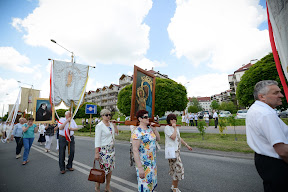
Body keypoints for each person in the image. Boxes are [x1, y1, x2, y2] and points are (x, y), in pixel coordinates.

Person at [246, 80, 288, 191]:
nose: (281, 95)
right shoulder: (266, 114)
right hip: (277, 164)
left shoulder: (256, 109)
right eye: (276, 93)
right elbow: (282, 150)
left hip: (265, 161)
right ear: (262, 97)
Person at [132, 110, 160, 192]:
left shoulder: (150, 129)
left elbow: (158, 139)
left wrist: (154, 129)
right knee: (144, 187)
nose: (148, 118)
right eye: (145, 117)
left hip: (152, 163)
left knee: (151, 185)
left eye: (148, 116)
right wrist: (140, 168)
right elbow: (135, 150)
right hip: (144, 164)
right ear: (140, 119)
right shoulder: (137, 132)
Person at [165, 114, 192, 192]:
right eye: (171, 119)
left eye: (175, 119)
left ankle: (173, 186)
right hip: (172, 152)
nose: (174, 120)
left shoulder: (175, 128)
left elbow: (179, 138)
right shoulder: (167, 128)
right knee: (179, 169)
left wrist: (187, 145)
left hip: (177, 151)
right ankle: (175, 188)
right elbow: (173, 137)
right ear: (169, 120)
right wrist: (174, 128)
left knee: (174, 169)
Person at [94, 109, 119, 192]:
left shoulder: (111, 124)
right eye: (106, 115)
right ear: (102, 116)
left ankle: (107, 187)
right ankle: (97, 186)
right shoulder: (99, 126)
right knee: (103, 170)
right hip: (103, 151)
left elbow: (116, 132)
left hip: (111, 150)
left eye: (109, 114)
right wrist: (97, 153)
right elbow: (97, 140)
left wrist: (115, 125)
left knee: (110, 170)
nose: (108, 116)